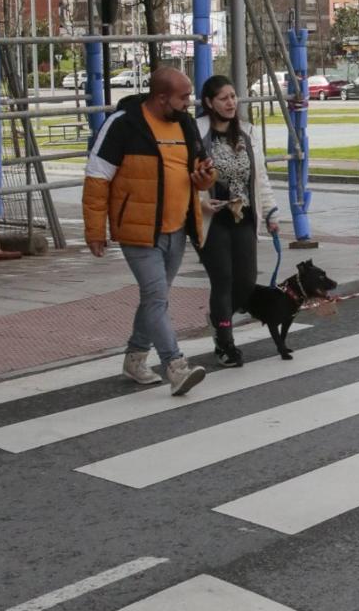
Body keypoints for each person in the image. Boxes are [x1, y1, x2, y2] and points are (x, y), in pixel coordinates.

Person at [83, 65, 214, 394]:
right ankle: (176, 366)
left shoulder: (184, 123)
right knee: (156, 298)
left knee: (155, 299)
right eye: (183, 97)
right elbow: (97, 180)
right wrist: (94, 230)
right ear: (161, 97)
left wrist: (204, 178)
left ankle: (135, 358)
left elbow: (202, 167)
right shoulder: (123, 125)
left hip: (178, 228)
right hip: (138, 231)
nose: (189, 103)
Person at [194, 74, 280, 365]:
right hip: (212, 220)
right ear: (209, 102)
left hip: (243, 217)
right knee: (223, 280)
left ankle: (219, 319)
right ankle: (225, 344)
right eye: (223, 98)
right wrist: (200, 203)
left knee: (245, 283)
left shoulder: (248, 133)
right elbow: (182, 179)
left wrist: (271, 211)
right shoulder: (196, 133)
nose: (231, 103)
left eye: (233, 96)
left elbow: (261, 176)